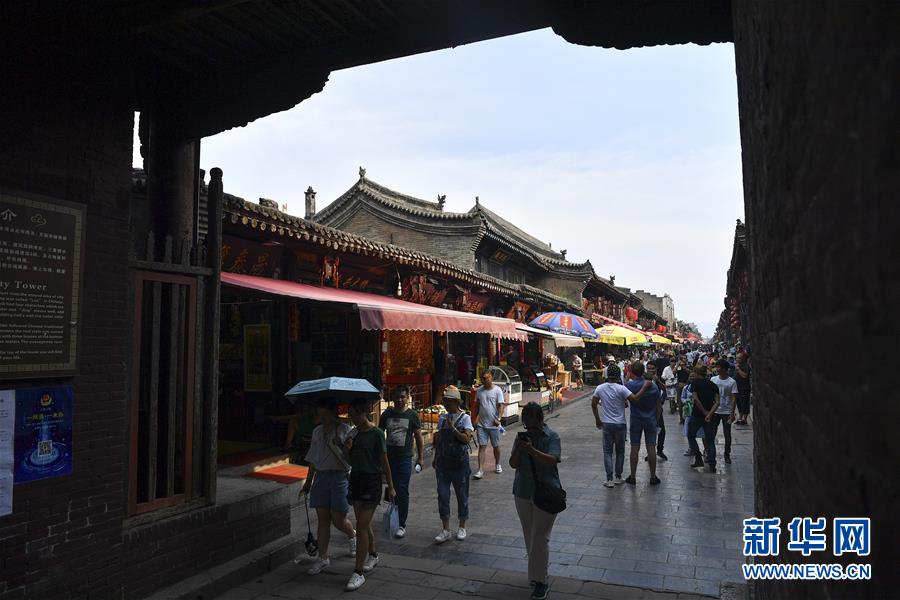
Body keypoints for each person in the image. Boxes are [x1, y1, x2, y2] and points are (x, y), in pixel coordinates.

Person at [510, 402, 562, 600]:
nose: (530, 430)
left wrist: (532, 450)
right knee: (529, 535)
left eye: (534, 426)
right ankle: (536, 574)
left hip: (547, 492)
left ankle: (541, 581)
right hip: (523, 491)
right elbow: (513, 464)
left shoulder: (552, 437)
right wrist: (519, 449)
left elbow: (553, 459)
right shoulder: (520, 438)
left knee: (540, 537)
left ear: (541, 421)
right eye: (527, 426)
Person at [342, 398, 395, 592]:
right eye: (351, 415)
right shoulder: (353, 433)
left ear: (365, 412)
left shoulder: (377, 433)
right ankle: (373, 554)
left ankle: (358, 572)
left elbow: (384, 461)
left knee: (362, 525)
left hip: (372, 481)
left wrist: (391, 486)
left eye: (355, 414)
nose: (353, 418)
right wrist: (345, 448)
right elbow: (350, 460)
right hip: (356, 479)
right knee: (363, 524)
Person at [300, 399, 358, 577]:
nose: (322, 418)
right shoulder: (317, 431)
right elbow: (313, 458)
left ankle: (352, 534)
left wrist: (338, 444)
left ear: (334, 413)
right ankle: (323, 557)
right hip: (321, 478)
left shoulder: (345, 430)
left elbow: (351, 459)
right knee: (323, 520)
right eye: (320, 415)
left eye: (326, 414)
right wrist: (308, 482)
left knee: (339, 520)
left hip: (340, 477)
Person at [591, 363, 651, 487]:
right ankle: (618, 477)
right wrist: (644, 387)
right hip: (620, 424)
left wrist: (597, 419)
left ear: (607, 375)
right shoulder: (621, 388)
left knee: (607, 451)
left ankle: (609, 479)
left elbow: (594, 403)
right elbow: (635, 399)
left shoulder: (600, 388)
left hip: (607, 424)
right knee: (620, 451)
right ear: (619, 376)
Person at [379, 386, 424, 538]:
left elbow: (419, 438)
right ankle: (393, 513)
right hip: (389, 458)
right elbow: (379, 435)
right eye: (397, 397)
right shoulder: (386, 415)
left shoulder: (412, 415)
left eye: (403, 397)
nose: (400, 400)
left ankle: (401, 524)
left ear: (408, 397)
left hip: (405, 458)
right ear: (392, 398)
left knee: (402, 489)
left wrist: (420, 457)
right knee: (391, 487)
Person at [432, 385, 474, 543]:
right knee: (443, 495)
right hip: (443, 462)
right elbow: (439, 439)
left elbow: (466, 438)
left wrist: (453, 428)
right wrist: (436, 457)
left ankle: (462, 526)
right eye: (445, 401)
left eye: (449, 401)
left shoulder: (465, 418)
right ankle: (446, 528)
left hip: (460, 463)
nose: (446, 404)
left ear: (456, 402)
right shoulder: (443, 418)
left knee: (462, 494)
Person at [624, 362, 662, 485]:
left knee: (635, 447)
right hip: (650, 420)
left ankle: (633, 477)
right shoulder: (653, 386)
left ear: (632, 371)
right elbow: (658, 406)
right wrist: (656, 420)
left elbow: (624, 400)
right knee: (651, 447)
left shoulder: (629, 386)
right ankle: (653, 477)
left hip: (636, 419)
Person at [687, 365, 720, 472]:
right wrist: (709, 413)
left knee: (691, 436)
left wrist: (704, 412)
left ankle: (698, 458)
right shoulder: (713, 385)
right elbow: (717, 402)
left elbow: (695, 400)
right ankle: (712, 464)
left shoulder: (695, 384)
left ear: (696, 372)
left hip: (697, 415)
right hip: (710, 417)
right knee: (710, 440)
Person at [474, 370, 506, 479]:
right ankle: (480, 470)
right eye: (483, 378)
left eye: (486, 378)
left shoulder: (497, 390)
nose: (484, 380)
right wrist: (475, 419)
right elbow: (477, 406)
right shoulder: (479, 391)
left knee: (495, 446)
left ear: (491, 378)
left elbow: (501, 405)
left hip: (493, 425)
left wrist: (499, 418)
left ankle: (497, 464)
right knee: (482, 446)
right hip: (481, 424)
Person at [710, 359, 737, 464]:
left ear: (725, 369)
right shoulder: (713, 379)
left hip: (726, 411)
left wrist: (732, 413)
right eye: (717, 367)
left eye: (719, 367)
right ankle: (710, 452)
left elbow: (734, 398)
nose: (717, 369)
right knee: (712, 433)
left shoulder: (732, 382)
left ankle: (727, 455)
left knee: (727, 434)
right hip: (715, 410)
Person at [645, 362, 668, 462]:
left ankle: (659, 450)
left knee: (662, 430)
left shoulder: (659, 379)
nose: (650, 370)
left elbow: (665, 388)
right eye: (649, 368)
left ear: (656, 369)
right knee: (650, 431)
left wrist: (658, 381)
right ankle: (650, 452)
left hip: (658, 409)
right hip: (647, 409)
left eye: (652, 368)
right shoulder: (644, 379)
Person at [734, 352, 751, 424]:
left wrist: (738, 369)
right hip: (738, 387)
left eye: (739, 358)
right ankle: (740, 418)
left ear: (743, 359)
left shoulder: (745, 366)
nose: (737, 359)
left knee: (745, 403)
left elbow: (745, 376)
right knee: (739, 403)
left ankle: (745, 419)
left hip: (744, 388)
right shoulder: (738, 365)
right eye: (736, 358)